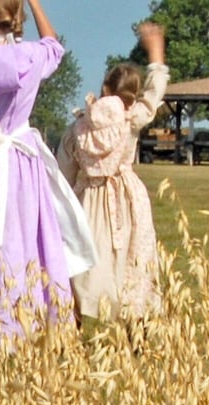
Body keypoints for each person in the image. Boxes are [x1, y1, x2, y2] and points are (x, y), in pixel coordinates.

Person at [0, 0, 96, 350]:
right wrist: (34, 3)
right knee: (25, 242)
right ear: (17, 15)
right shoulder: (33, 56)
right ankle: (28, 324)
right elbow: (54, 44)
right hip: (24, 164)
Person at [64, 23, 169, 326]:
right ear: (132, 97)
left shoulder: (78, 127)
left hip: (88, 200)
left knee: (84, 263)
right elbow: (154, 95)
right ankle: (135, 327)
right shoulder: (131, 118)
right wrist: (156, 54)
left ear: (105, 89)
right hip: (126, 197)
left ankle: (76, 321)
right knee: (131, 259)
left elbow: (63, 171)